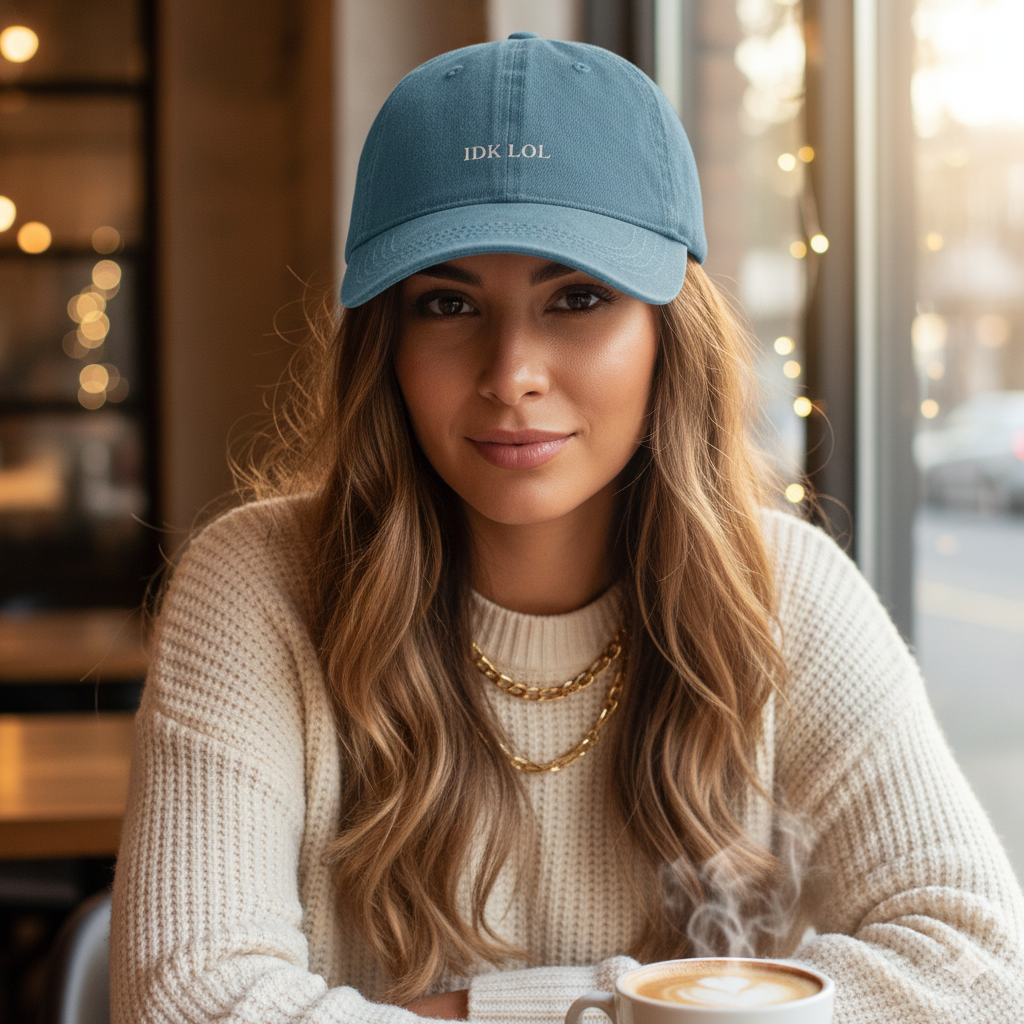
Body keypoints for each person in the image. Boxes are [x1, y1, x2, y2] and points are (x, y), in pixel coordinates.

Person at [110, 32, 1024, 1024]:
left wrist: (488, 1010)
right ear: (386, 344)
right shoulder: (255, 584)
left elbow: (974, 967)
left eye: (577, 297)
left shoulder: (786, 588)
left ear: (666, 335)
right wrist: (684, 1008)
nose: (511, 372)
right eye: (447, 301)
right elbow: (187, 1001)